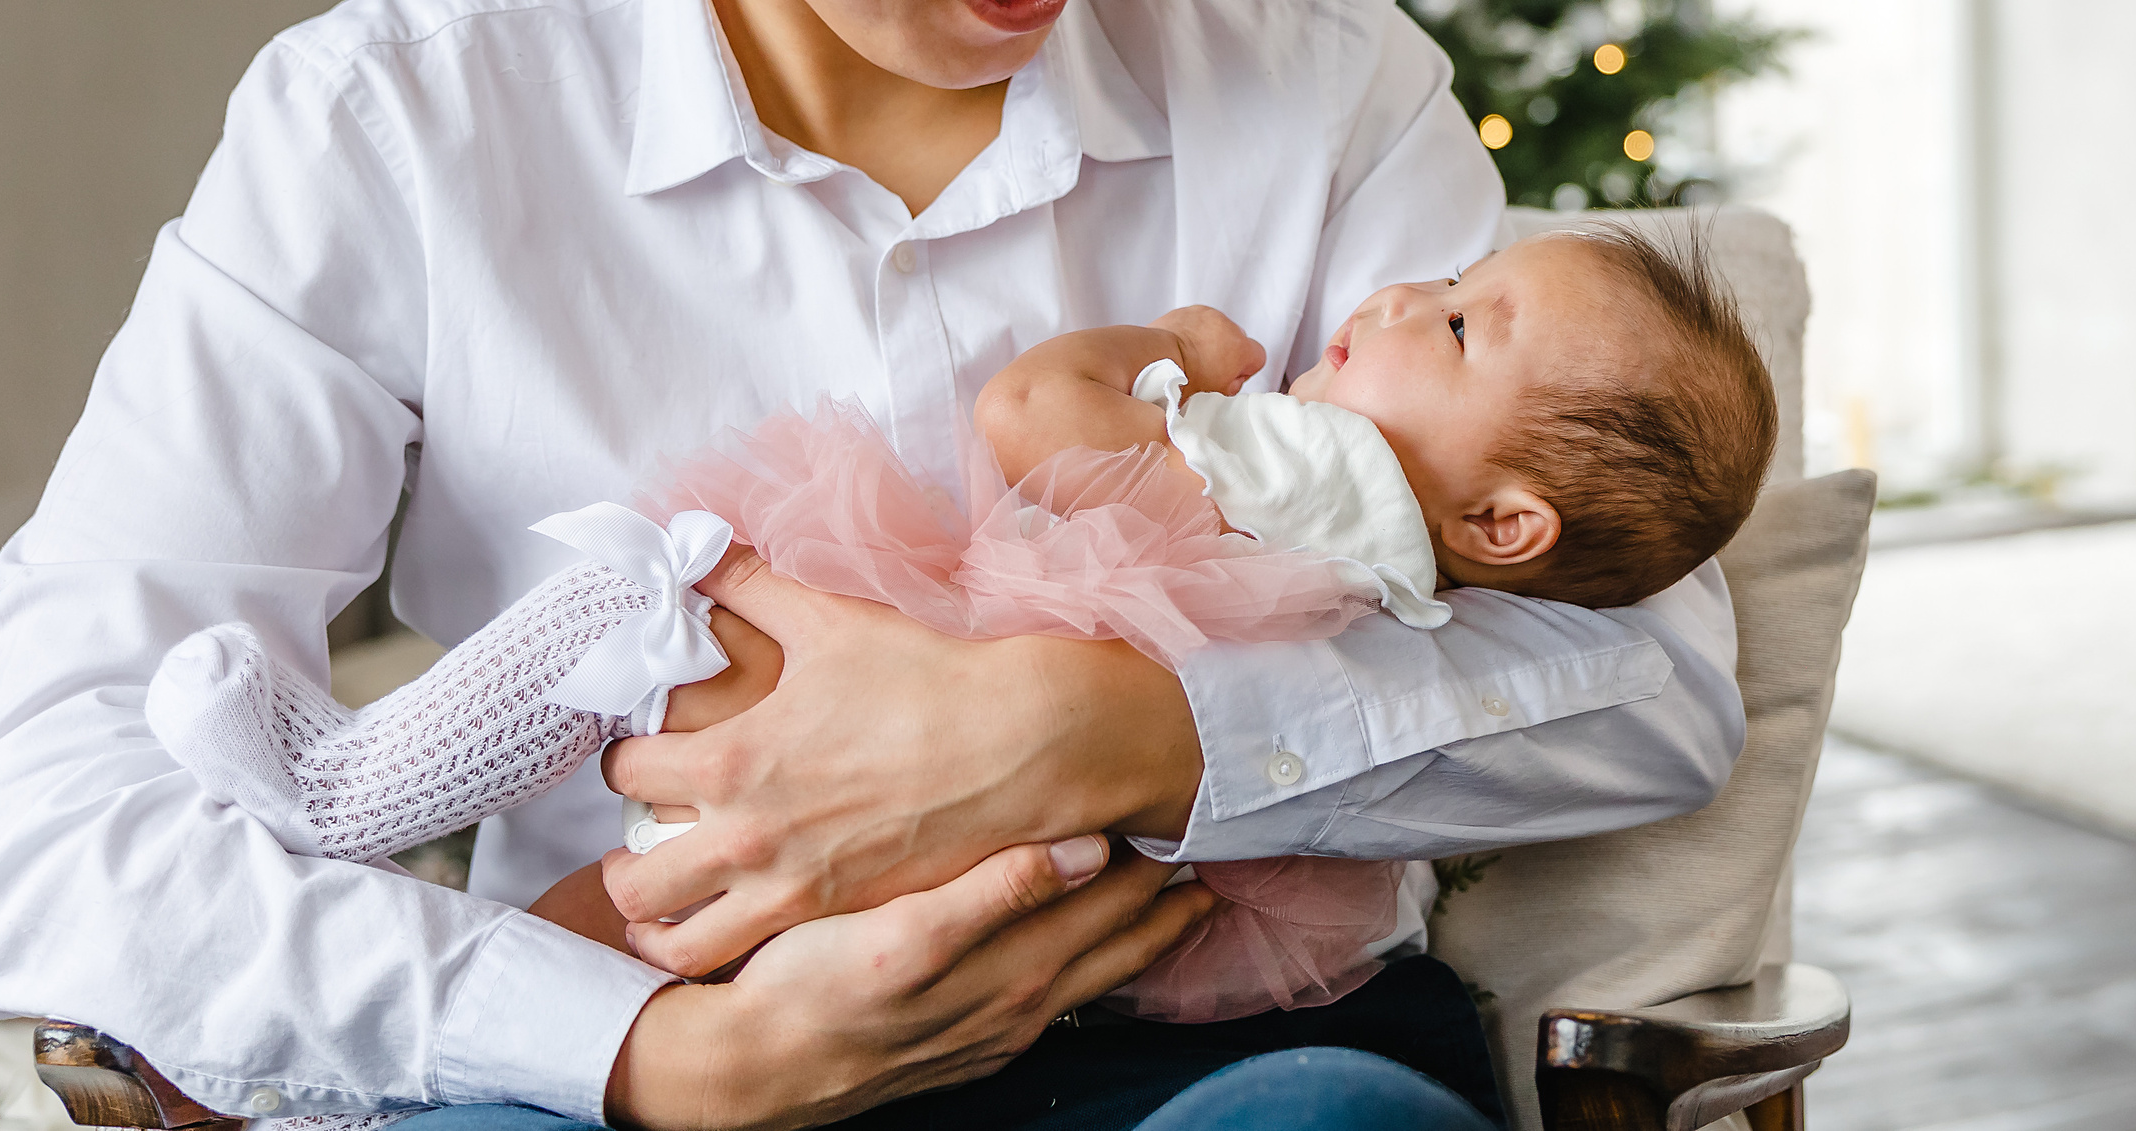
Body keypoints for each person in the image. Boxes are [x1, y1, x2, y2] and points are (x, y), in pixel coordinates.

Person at [0, 0, 1748, 1127]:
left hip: (1206, 1056)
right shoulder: (392, 121)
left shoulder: (1318, 64)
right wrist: (644, 1054)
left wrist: (1096, 735)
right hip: (649, 1033)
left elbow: (1652, 679)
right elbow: (12, 823)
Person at [136, 226, 1776, 1033]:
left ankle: (347, 802)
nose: (1406, 296)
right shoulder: (1415, 529)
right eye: (1452, 276)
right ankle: (470, 962)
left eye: (1464, 318)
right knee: (657, 917)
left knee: (650, 609)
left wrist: (1179, 350)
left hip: (962, 677)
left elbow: (1031, 415)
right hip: (1096, 889)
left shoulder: (1328, 465)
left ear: (1507, 529)